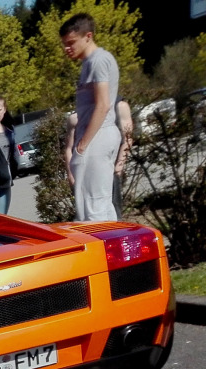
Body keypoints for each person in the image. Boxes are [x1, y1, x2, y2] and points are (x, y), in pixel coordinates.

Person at [61, 11, 121, 221]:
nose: (67, 48)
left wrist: (82, 144)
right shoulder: (90, 63)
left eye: (71, 42)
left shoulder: (98, 61)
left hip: (97, 136)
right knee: (96, 204)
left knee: (93, 207)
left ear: (88, 36)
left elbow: (103, 104)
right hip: (96, 136)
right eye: (64, 44)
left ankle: (101, 251)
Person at [113, 98, 134, 217]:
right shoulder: (87, 105)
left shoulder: (120, 106)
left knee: (114, 211)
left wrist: (119, 166)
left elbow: (128, 138)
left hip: (112, 169)